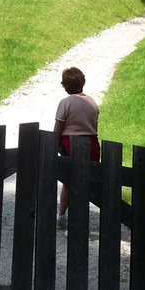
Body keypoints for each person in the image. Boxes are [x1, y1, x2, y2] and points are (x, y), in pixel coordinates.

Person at [53, 66, 99, 230]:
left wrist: (54, 144)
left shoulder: (65, 103)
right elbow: (95, 126)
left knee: (69, 182)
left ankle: (62, 217)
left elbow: (58, 128)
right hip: (92, 144)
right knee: (85, 182)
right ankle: (78, 217)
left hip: (70, 144)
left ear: (66, 85)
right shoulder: (92, 103)